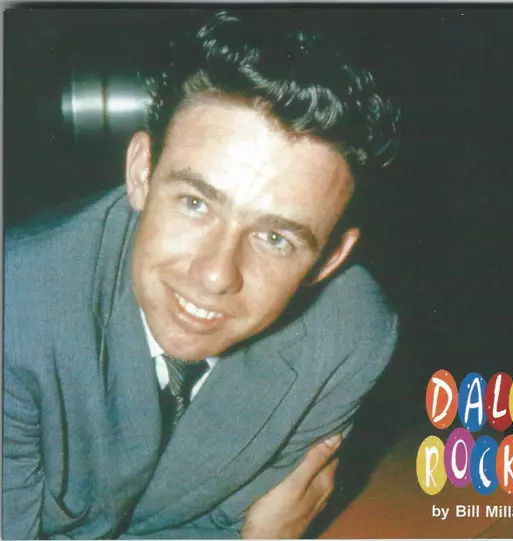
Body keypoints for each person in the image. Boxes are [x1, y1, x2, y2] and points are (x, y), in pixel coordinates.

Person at [4, 9, 401, 539]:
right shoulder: (16, 301)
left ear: (329, 260)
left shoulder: (349, 335)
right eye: (195, 203)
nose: (215, 275)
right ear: (141, 171)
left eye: (275, 238)